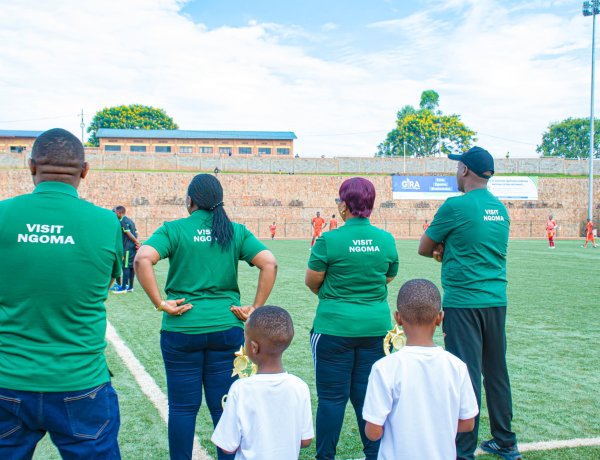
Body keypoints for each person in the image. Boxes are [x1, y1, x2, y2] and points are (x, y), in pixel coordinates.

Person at [134, 173, 277, 460]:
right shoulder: (234, 231)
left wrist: (160, 303)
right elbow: (269, 263)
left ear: (190, 201)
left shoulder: (174, 229)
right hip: (226, 329)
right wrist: (255, 308)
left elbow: (142, 259)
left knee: (182, 408)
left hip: (182, 329)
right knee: (224, 405)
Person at [0, 128, 122, 458]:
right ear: (84, 171)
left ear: (31, 166)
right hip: (81, 380)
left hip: (7, 377)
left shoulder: (3, 214)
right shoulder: (106, 221)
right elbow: (104, 286)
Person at [418, 146, 522, 460]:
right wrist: (449, 247)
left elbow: (424, 247)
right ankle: (506, 441)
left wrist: (442, 248)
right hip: (496, 300)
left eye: (457, 167)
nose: (455, 172)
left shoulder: (455, 206)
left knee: (465, 374)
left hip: (463, 302)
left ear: (464, 170)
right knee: (496, 372)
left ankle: (463, 450)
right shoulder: (500, 208)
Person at [305, 177, 399, 460]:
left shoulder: (329, 240)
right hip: (376, 330)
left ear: (344, 205)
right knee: (369, 398)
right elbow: (388, 277)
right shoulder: (386, 240)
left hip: (333, 328)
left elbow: (312, 281)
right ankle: (375, 455)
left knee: (331, 399)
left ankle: (325, 457)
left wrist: (335, 295)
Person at [363, 279, 478, 460]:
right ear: (439, 318)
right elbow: (468, 422)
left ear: (398, 318)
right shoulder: (457, 366)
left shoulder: (384, 368)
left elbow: (373, 432)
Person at [211, 306, 314, 459]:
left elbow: (227, 446)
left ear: (254, 347)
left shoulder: (240, 389)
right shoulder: (300, 387)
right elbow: (305, 440)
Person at [112, 205, 140, 293]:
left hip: (127, 248)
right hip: (132, 248)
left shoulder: (122, 222)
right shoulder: (130, 221)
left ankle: (123, 287)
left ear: (119, 213)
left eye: (115, 212)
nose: (114, 214)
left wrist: (136, 242)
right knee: (131, 267)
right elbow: (137, 233)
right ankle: (130, 287)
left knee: (125, 266)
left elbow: (129, 234)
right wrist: (136, 243)